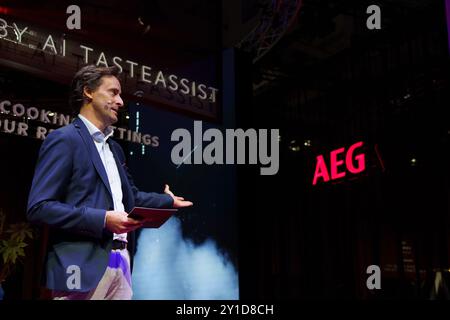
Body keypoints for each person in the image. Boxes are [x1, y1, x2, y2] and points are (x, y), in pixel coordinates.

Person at [27, 65, 193, 300]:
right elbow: (39, 208)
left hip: (121, 264)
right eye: (113, 92)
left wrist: (167, 201)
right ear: (88, 92)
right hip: (80, 269)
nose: (121, 101)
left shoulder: (114, 149)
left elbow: (130, 198)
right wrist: (103, 219)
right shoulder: (65, 140)